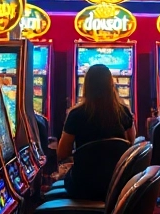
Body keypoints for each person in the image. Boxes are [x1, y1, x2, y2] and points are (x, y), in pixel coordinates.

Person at [57, 63, 135, 200]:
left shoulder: (76, 114)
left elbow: (62, 153)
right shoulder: (123, 111)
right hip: (116, 183)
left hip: (83, 184)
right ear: (111, 85)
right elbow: (131, 143)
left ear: (86, 86)